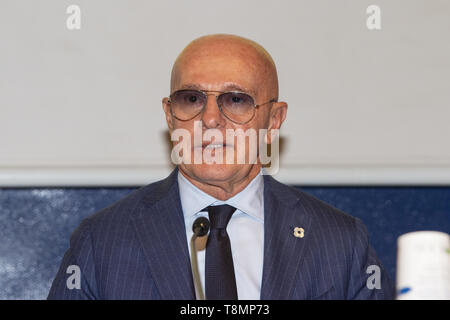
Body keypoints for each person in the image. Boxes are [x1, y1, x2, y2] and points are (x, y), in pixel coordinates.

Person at [48, 34, 395, 300]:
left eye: (236, 100)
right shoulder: (102, 240)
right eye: (192, 99)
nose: (210, 119)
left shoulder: (340, 242)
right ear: (170, 116)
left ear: (274, 119)